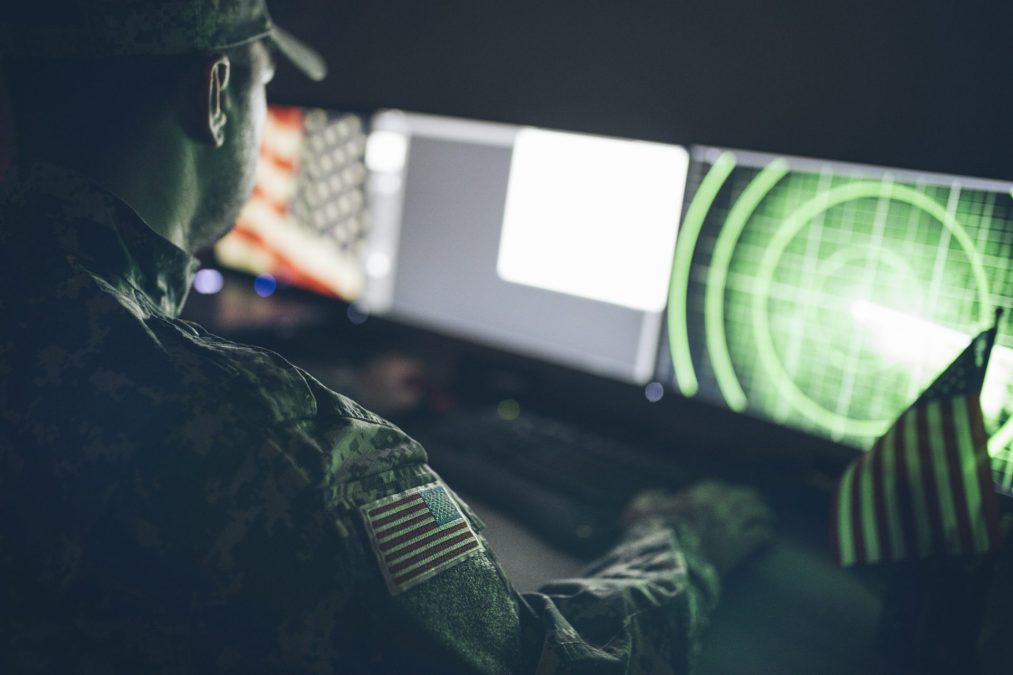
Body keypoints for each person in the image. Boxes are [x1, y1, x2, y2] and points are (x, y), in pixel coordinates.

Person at [0, 2, 773, 672]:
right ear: (215, 95)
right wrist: (681, 542)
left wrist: (338, 398)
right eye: (269, 84)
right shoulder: (294, 448)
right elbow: (545, 663)